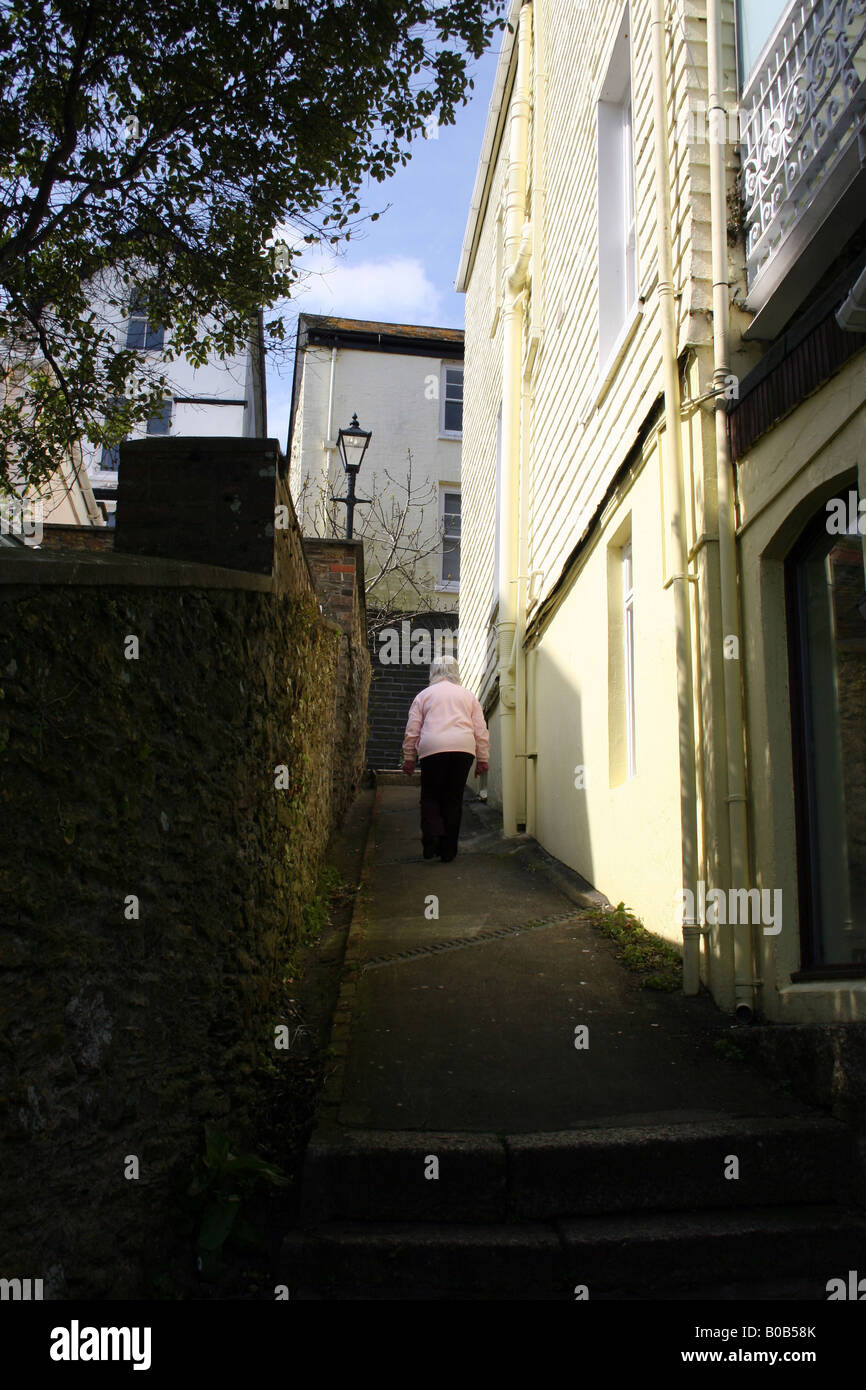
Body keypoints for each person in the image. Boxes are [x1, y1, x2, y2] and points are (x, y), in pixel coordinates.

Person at [401, 655, 490, 862]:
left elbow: (412, 730)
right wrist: (483, 758)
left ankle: (432, 834)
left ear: (432, 671)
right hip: (463, 749)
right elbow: (480, 730)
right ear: (456, 671)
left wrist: (409, 758)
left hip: (433, 748)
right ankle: (448, 851)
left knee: (431, 795)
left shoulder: (424, 696)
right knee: (453, 799)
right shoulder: (468, 696)